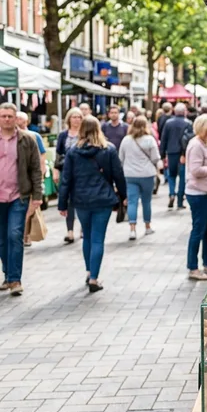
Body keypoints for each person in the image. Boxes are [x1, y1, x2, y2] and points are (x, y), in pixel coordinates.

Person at [57, 116, 126, 293]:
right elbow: (118, 174)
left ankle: (89, 272)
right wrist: (123, 196)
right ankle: (94, 277)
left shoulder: (73, 151)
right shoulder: (108, 149)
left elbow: (66, 179)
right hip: (102, 199)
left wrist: (62, 203)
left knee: (87, 237)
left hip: (81, 200)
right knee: (98, 238)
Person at [0, 103, 43, 296]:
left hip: (19, 196)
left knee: (14, 235)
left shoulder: (27, 140)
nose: (7, 119)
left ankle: (15, 279)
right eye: (4, 116)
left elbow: (35, 169)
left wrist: (37, 196)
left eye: (10, 116)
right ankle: (8, 275)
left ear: (16, 119)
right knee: (1, 239)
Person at [119, 116, 160, 240]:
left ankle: (132, 229)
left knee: (132, 201)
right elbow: (155, 158)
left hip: (130, 175)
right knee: (146, 201)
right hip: (147, 174)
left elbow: (120, 158)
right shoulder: (149, 140)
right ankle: (147, 227)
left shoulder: (126, 140)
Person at [185, 114, 207, 280]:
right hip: (197, 193)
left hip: (205, 192)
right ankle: (193, 267)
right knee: (198, 230)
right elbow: (195, 170)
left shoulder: (204, 144)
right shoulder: (196, 145)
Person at [16, 112, 47, 248]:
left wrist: (40, 175)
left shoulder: (34, 136)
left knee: (29, 208)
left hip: (29, 179)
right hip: (15, 180)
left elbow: (42, 156)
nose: (18, 122)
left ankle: (26, 235)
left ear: (26, 122)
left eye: (20, 120)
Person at [55, 107, 83, 244]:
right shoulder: (63, 135)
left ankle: (83, 227)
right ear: (69, 119)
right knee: (69, 200)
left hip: (82, 171)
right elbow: (59, 153)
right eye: (74, 117)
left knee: (82, 199)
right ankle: (70, 231)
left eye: (79, 117)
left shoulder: (84, 134)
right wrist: (55, 170)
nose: (76, 119)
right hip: (66, 170)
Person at [159, 103, 192, 209]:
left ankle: (172, 193)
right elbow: (189, 139)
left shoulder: (169, 123)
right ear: (184, 112)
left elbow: (163, 139)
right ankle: (179, 200)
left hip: (171, 152)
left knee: (171, 175)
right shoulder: (188, 123)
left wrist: (162, 154)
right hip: (183, 154)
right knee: (182, 177)